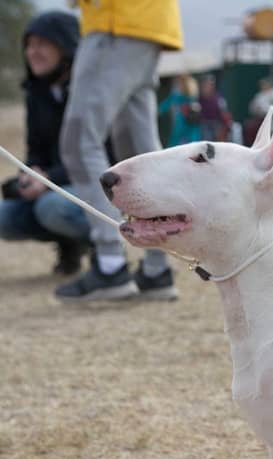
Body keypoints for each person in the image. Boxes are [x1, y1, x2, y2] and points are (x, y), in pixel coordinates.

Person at [55, 0, 183, 302]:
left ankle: (110, 263)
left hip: (114, 22)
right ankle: (156, 268)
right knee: (139, 156)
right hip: (148, 23)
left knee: (79, 142)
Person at [0, 11, 91, 276]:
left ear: (65, 45)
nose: (32, 51)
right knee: (5, 216)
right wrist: (30, 175)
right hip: (56, 187)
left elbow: (103, 155)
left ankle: (106, 249)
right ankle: (70, 243)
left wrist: (49, 178)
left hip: (95, 189)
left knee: (53, 207)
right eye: (29, 44)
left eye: (42, 43)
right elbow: (35, 149)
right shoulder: (36, 93)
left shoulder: (91, 91)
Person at [158, 74, 201, 147]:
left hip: (188, 130)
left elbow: (161, 109)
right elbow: (162, 108)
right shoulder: (178, 97)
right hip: (185, 132)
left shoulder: (186, 98)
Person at [198, 75, 231, 143]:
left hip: (217, 124)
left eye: (210, 84)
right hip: (204, 125)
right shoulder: (198, 98)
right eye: (206, 84)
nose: (208, 86)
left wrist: (225, 125)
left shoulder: (218, 98)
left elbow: (224, 114)